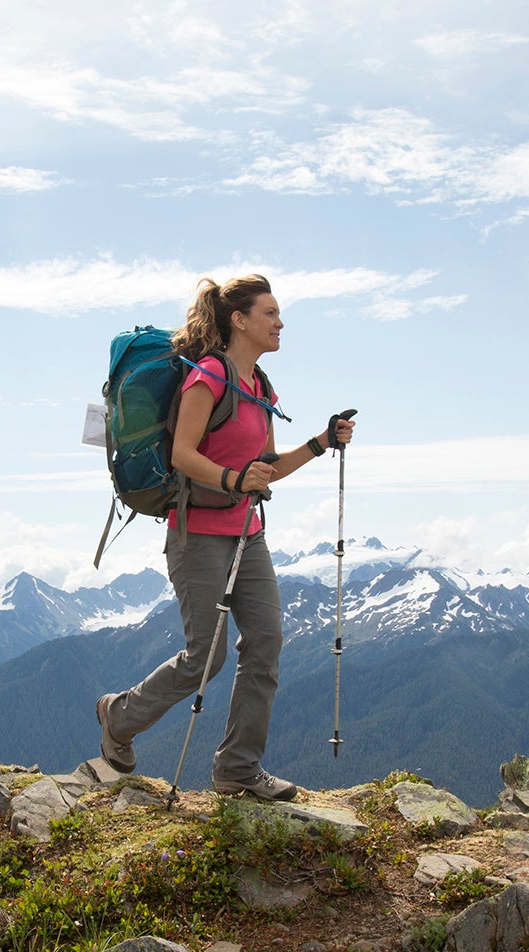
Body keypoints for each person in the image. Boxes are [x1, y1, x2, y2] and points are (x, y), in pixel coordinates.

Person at [94, 276, 355, 801]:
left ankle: (238, 770)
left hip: (247, 535)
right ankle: (118, 715)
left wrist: (321, 442)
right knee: (205, 658)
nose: (279, 323)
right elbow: (183, 455)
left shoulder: (260, 385)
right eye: (270, 313)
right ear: (239, 319)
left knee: (265, 643)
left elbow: (267, 468)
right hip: (198, 536)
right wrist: (235, 480)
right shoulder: (208, 376)